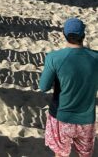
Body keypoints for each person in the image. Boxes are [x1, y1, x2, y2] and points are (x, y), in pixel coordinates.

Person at [39, 18, 98, 157]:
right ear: (83, 35)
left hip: (61, 117)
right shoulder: (96, 58)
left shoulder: (54, 58)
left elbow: (43, 87)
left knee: (60, 154)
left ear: (64, 35)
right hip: (86, 119)